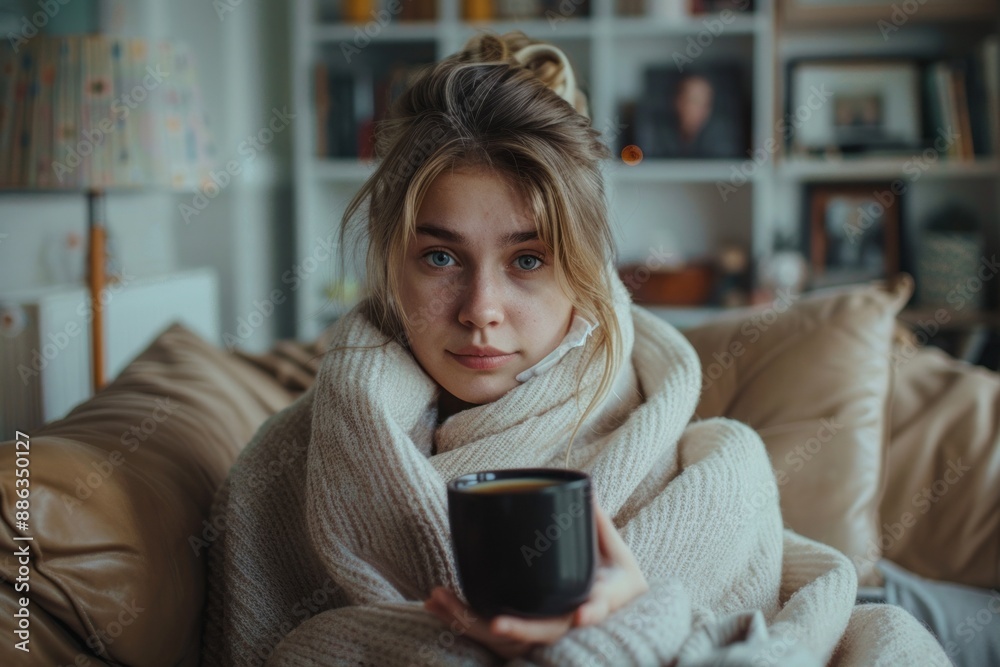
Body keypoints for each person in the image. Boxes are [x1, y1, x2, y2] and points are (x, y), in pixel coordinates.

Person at [199, 31, 955, 666]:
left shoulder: (712, 473)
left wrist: (639, 621)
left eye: (528, 260)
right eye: (440, 257)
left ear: (585, 272)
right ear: (391, 261)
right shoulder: (281, 472)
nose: (480, 312)